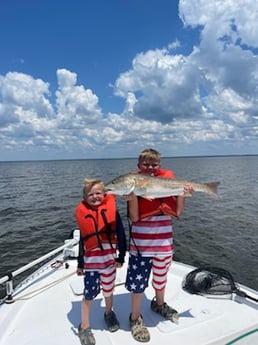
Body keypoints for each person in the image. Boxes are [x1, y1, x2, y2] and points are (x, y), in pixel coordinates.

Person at [124, 148, 194, 342]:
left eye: (154, 164)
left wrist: (182, 193)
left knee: (161, 279)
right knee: (137, 283)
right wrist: (131, 199)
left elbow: (178, 212)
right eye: (146, 164)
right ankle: (135, 317)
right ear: (138, 166)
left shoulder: (166, 182)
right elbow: (135, 217)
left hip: (164, 244)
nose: (150, 168)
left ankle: (159, 304)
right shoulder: (135, 185)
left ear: (160, 166)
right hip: (141, 245)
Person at [75, 178, 126, 345]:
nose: (95, 196)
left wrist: (121, 256)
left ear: (105, 194)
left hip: (110, 262)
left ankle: (109, 313)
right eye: (91, 194)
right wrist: (80, 263)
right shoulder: (84, 214)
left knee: (109, 290)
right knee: (89, 293)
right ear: (84, 197)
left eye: (98, 193)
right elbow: (83, 241)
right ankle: (84, 325)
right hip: (91, 264)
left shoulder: (113, 212)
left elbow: (121, 233)